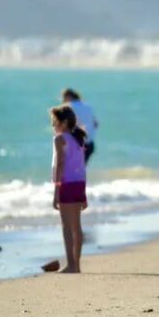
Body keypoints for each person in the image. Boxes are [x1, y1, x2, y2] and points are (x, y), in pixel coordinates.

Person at [50, 104, 88, 273]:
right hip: (79, 184)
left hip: (66, 184)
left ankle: (71, 265)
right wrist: (84, 193)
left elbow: (60, 165)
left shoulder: (59, 139)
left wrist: (56, 190)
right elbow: (82, 166)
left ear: (64, 122)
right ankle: (76, 265)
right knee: (76, 226)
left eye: (55, 122)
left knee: (66, 226)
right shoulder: (79, 139)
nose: (53, 126)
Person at [62, 88, 98, 164]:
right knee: (79, 169)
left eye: (63, 98)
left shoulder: (68, 107)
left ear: (69, 96)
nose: (63, 100)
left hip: (76, 145)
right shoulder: (88, 107)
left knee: (70, 170)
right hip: (89, 144)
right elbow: (95, 124)